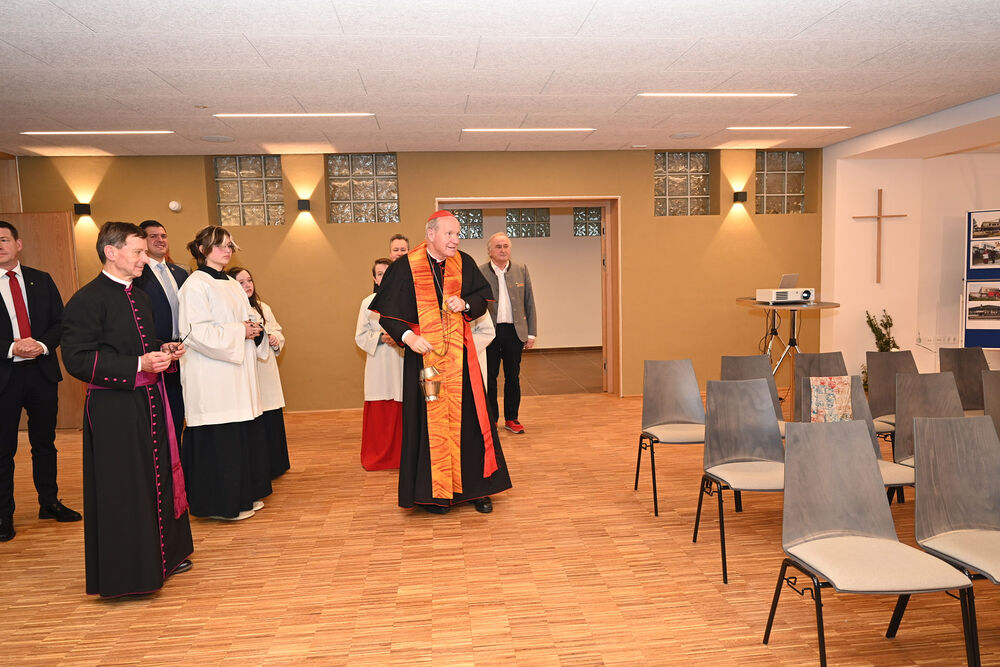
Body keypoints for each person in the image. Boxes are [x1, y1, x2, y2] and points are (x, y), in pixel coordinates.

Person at [61, 221, 192, 596]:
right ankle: (132, 572)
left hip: (149, 401)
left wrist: (163, 350)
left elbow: (139, 343)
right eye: (137, 251)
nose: (144, 258)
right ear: (111, 252)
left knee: (155, 478)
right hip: (114, 409)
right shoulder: (87, 300)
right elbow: (77, 359)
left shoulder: (140, 297)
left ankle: (164, 557)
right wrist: (138, 364)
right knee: (126, 486)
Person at [370, 211, 511, 514]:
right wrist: (409, 337)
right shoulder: (406, 267)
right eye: (449, 234)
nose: (455, 240)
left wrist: (465, 303)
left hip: (460, 362)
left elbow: (481, 298)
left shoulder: (464, 263)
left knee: (471, 423)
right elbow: (387, 315)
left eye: (457, 234)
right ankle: (435, 494)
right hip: (425, 362)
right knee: (427, 424)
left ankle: (476, 490)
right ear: (431, 234)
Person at [178, 226, 270, 521]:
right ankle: (221, 505)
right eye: (219, 245)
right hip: (212, 375)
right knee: (222, 440)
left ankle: (244, 495)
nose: (227, 250)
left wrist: (255, 328)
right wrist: (240, 331)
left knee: (241, 436)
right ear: (202, 250)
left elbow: (249, 316)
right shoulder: (195, 285)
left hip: (238, 373)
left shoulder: (231, 282)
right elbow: (195, 332)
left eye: (229, 245)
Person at [0, 221, 80, 543]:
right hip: (4, 375)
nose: (0, 246)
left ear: (18, 244)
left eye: (4, 239)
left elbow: (61, 322)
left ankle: (49, 502)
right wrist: (12, 348)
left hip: (41, 373)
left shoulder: (41, 279)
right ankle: (3, 515)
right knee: (3, 449)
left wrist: (43, 345)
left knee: (44, 443)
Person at [228, 266, 290, 478]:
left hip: (266, 370)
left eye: (249, 280)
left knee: (271, 416)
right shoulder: (233, 312)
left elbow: (277, 330)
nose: (247, 285)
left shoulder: (263, 308)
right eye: (241, 282)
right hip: (246, 369)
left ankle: (276, 464)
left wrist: (274, 338)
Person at [133, 220, 189, 443]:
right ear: (143, 242)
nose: (160, 240)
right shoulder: (138, 275)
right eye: (153, 236)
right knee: (160, 418)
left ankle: (180, 459)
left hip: (182, 352)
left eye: (163, 236)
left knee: (181, 411)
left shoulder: (181, 273)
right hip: (155, 353)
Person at [479, 233, 537, 434]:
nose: (502, 250)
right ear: (490, 251)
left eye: (505, 246)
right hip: (490, 333)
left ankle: (512, 418)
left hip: (514, 332)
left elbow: (529, 302)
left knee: (513, 377)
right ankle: (492, 419)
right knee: (490, 377)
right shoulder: (480, 272)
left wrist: (531, 333)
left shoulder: (521, 269)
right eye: (498, 247)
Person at [355, 257, 404, 471]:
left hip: (401, 361)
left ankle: (402, 456)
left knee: (402, 405)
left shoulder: (406, 300)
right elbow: (360, 336)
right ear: (374, 278)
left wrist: (400, 337)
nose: (384, 277)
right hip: (379, 364)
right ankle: (377, 457)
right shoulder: (367, 303)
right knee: (380, 409)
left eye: (388, 273)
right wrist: (382, 338)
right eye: (380, 274)